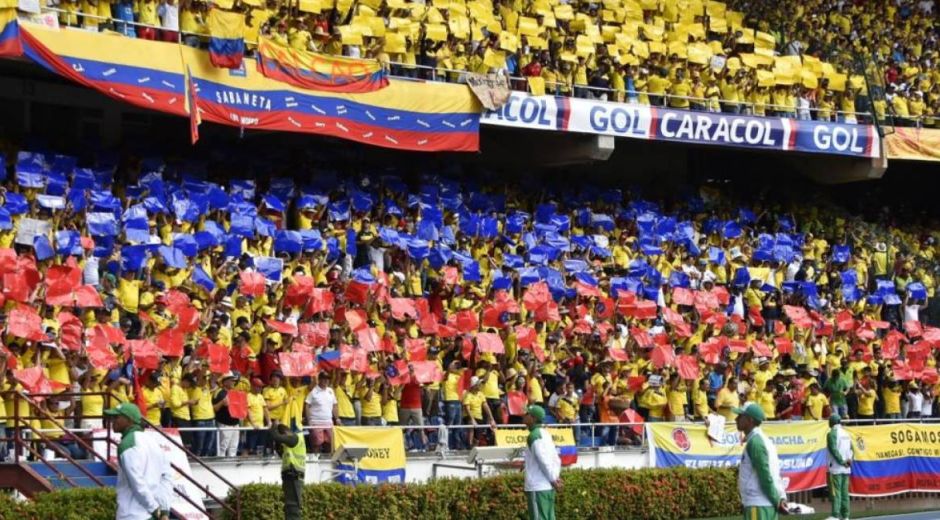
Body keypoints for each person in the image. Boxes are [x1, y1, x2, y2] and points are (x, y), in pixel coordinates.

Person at [104, 403, 170, 520]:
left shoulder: (127, 444)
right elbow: (165, 476)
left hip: (133, 514)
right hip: (152, 513)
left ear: (129, 420)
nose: (112, 420)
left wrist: (154, 508)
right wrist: (164, 510)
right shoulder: (153, 441)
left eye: (117, 417)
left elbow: (136, 482)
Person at [734, 402, 788, 520]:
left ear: (750, 420)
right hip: (764, 504)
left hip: (758, 505)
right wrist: (780, 497)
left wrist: (777, 500)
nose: (736, 418)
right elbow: (774, 474)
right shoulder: (762, 440)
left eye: (740, 416)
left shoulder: (755, 443)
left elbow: (765, 475)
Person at [523, 405, 561, 520]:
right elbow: (555, 458)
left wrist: (553, 480)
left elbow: (543, 461)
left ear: (533, 418)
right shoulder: (545, 433)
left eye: (527, 414)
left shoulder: (534, 436)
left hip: (538, 486)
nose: (524, 416)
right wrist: (555, 477)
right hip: (547, 486)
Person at [270, 422, 306, 520]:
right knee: (289, 508)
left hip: (294, 476)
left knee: (293, 508)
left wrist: (273, 425)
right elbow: (281, 452)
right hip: (291, 477)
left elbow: (275, 436)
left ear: (286, 432)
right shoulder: (291, 444)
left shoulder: (294, 438)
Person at [826, 413, 853, 520]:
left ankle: (835, 515)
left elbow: (833, 450)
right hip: (846, 468)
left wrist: (842, 462)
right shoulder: (846, 433)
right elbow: (852, 450)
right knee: (844, 492)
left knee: (836, 492)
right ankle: (846, 515)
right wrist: (849, 461)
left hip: (836, 468)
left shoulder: (831, 434)